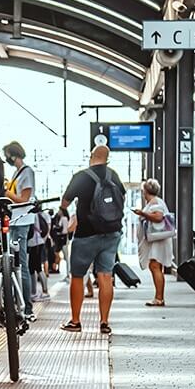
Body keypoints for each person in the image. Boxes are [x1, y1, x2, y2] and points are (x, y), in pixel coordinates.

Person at [59, 142, 125, 334]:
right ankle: (104, 322)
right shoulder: (114, 175)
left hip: (86, 233)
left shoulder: (82, 176)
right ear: (107, 159)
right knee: (105, 275)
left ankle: (75, 321)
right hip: (112, 232)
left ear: (91, 156)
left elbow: (65, 202)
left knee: (78, 276)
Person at [3, 142, 37, 319]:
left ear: (14, 154)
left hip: (22, 222)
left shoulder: (27, 172)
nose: (7, 158)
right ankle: (19, 303)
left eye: (8, 154)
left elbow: (24, 198)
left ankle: (27, 306)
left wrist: (6, 193)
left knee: (20, 263)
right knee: (15, 263)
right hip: (15, 221)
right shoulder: (17, 173)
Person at [132, 178, 173, 306]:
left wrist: (143, 213)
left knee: (155, 266)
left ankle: (159, 298)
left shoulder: (155, 202)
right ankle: (158, 297)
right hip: (158, 240)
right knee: (156, 267)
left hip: (157, 241)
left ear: (146, 191)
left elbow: (158, 217)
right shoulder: (156, 201)